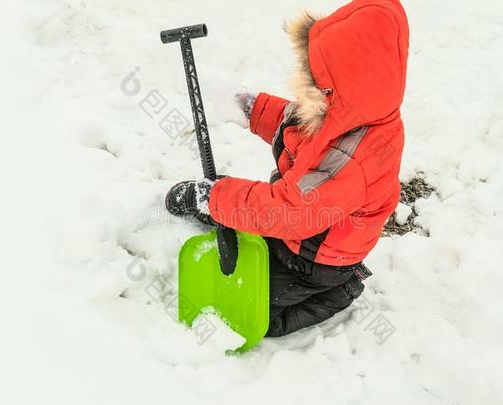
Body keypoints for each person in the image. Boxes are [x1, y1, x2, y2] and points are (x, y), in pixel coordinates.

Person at [165, 0, 410, 337]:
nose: (310, 88)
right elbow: (297, 124)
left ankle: (340, 292)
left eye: (319, 84)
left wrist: (213, 198)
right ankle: (225, 205)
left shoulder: (350, 157)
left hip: (315, 260)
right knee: (239, 204)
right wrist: (251, 108)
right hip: (305, 221)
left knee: (250, 313)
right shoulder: (356, 112)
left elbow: (287, 211)